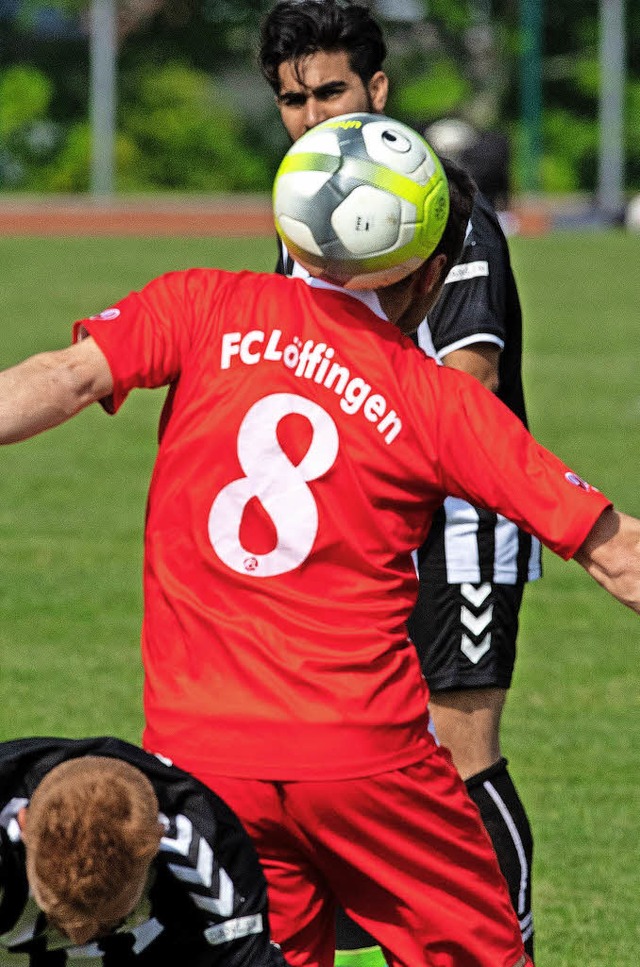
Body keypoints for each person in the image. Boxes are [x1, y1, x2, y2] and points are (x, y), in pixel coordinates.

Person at [2, 118, 640, 967]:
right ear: (431, 276)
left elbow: (64, 376)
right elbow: (615, 551)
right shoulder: (435, 399)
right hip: (366, 759)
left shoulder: (199, 302)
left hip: (202, 756)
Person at [259, 1, 538, 958]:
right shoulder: (302, 215)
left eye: (331, 90)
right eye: (293, 99)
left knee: (460, 753)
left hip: (462, 518)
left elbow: (470, 384)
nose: (312, 116)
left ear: (377, 91)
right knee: (344, 757)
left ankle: (512, 940)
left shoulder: (443, 206)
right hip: (355, 524)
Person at [0, 735, 286, 966]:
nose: (79, 937)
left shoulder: (209, 854)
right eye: (57, 914)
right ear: (23, 825)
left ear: (155, 844)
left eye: (109, 922)